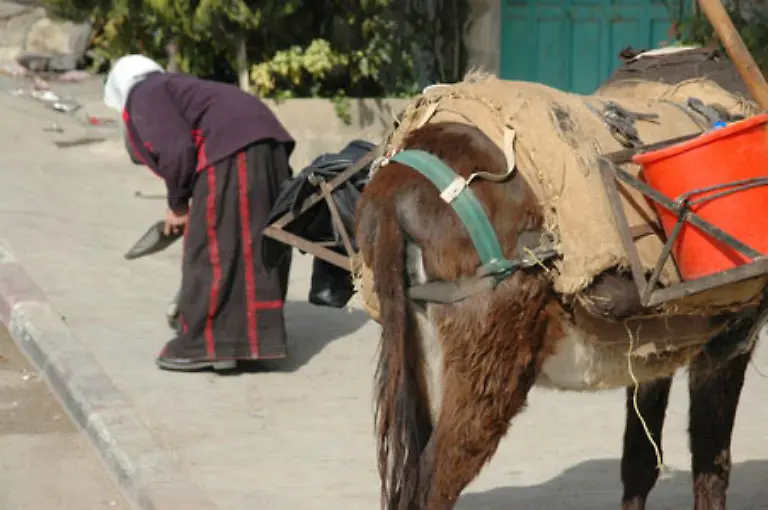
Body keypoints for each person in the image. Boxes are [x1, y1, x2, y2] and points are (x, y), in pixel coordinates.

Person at [104, 54, 295, 372]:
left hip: (233, 149)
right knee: (254, 244)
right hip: (268, 145)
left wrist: (178, 206)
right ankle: (256, 342)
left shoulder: (144, 92)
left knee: (211, 247)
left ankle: (206, 345)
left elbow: (176, 150)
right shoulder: (177, 85)